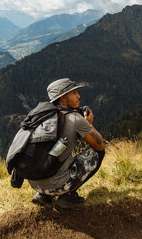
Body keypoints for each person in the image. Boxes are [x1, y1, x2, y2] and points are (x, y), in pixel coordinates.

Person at [28, 78, 105, 208]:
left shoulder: (39, 116)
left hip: (34, 182)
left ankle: (43, 195)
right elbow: (99, 145)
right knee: (98, 152)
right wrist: (89, 124)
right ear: (63, 99)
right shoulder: (75, 119)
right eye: (74, 93)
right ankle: (68, 196)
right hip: (59, 186)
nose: (79, 96)